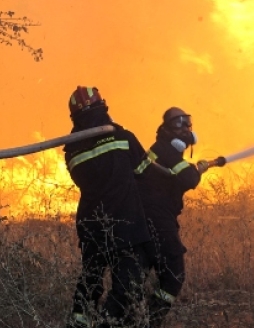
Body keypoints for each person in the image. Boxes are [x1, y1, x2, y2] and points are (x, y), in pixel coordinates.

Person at [63, 86, 151, 328]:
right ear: (103, 107)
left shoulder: (71, 151)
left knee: (90, 280)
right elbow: (145, 174)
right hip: (125, 225)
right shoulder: (124, 138)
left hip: (92, 225)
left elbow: (85, 179)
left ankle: (78, 323)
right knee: (128, 284)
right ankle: (107, 323)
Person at [134, 107, 208, 328]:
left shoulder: (159, 150)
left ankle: (131, 320)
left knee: (137, 277)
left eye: (187, 123)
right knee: (173, 274)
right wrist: (198, 169)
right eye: (178, 123)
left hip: (143, 219)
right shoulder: (166, 150)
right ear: (166, 129)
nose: (184, 129)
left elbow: (171, 179)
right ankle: (150, 322)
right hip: (158, 219)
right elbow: (188, 179)